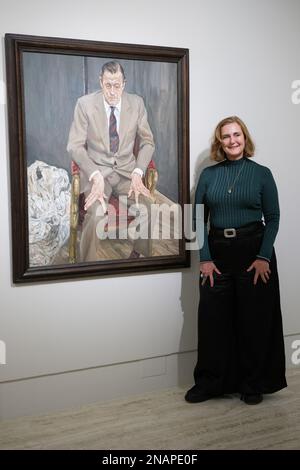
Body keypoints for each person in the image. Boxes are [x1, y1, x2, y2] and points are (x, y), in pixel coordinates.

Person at [185, 116, 287, 405]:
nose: (232, 141)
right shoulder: (208, 175)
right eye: (226, 136)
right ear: (220, 142)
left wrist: (264, 256)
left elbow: (274, 217)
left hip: (253, 251)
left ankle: (252, 383)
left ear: (245, 138)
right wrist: (204, 259)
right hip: (217, 251)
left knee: (253, 320)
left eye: (237, 134)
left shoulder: (262, 174)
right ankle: (209, 383)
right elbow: (195, 219)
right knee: (212, 320)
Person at [67, 61, 155, 262]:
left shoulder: (137, 104)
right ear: (101, 82)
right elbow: (74, 145)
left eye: (117, 85)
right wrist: (94, 174)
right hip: (98, 175)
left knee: (149, 206)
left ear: (124, 83)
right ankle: (87, 265)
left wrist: (138, 172)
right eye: (108, 85)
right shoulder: (84, 104)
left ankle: (141, 256)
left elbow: (148, 142)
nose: (113, 91)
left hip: (127, 173)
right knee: (96, 213)